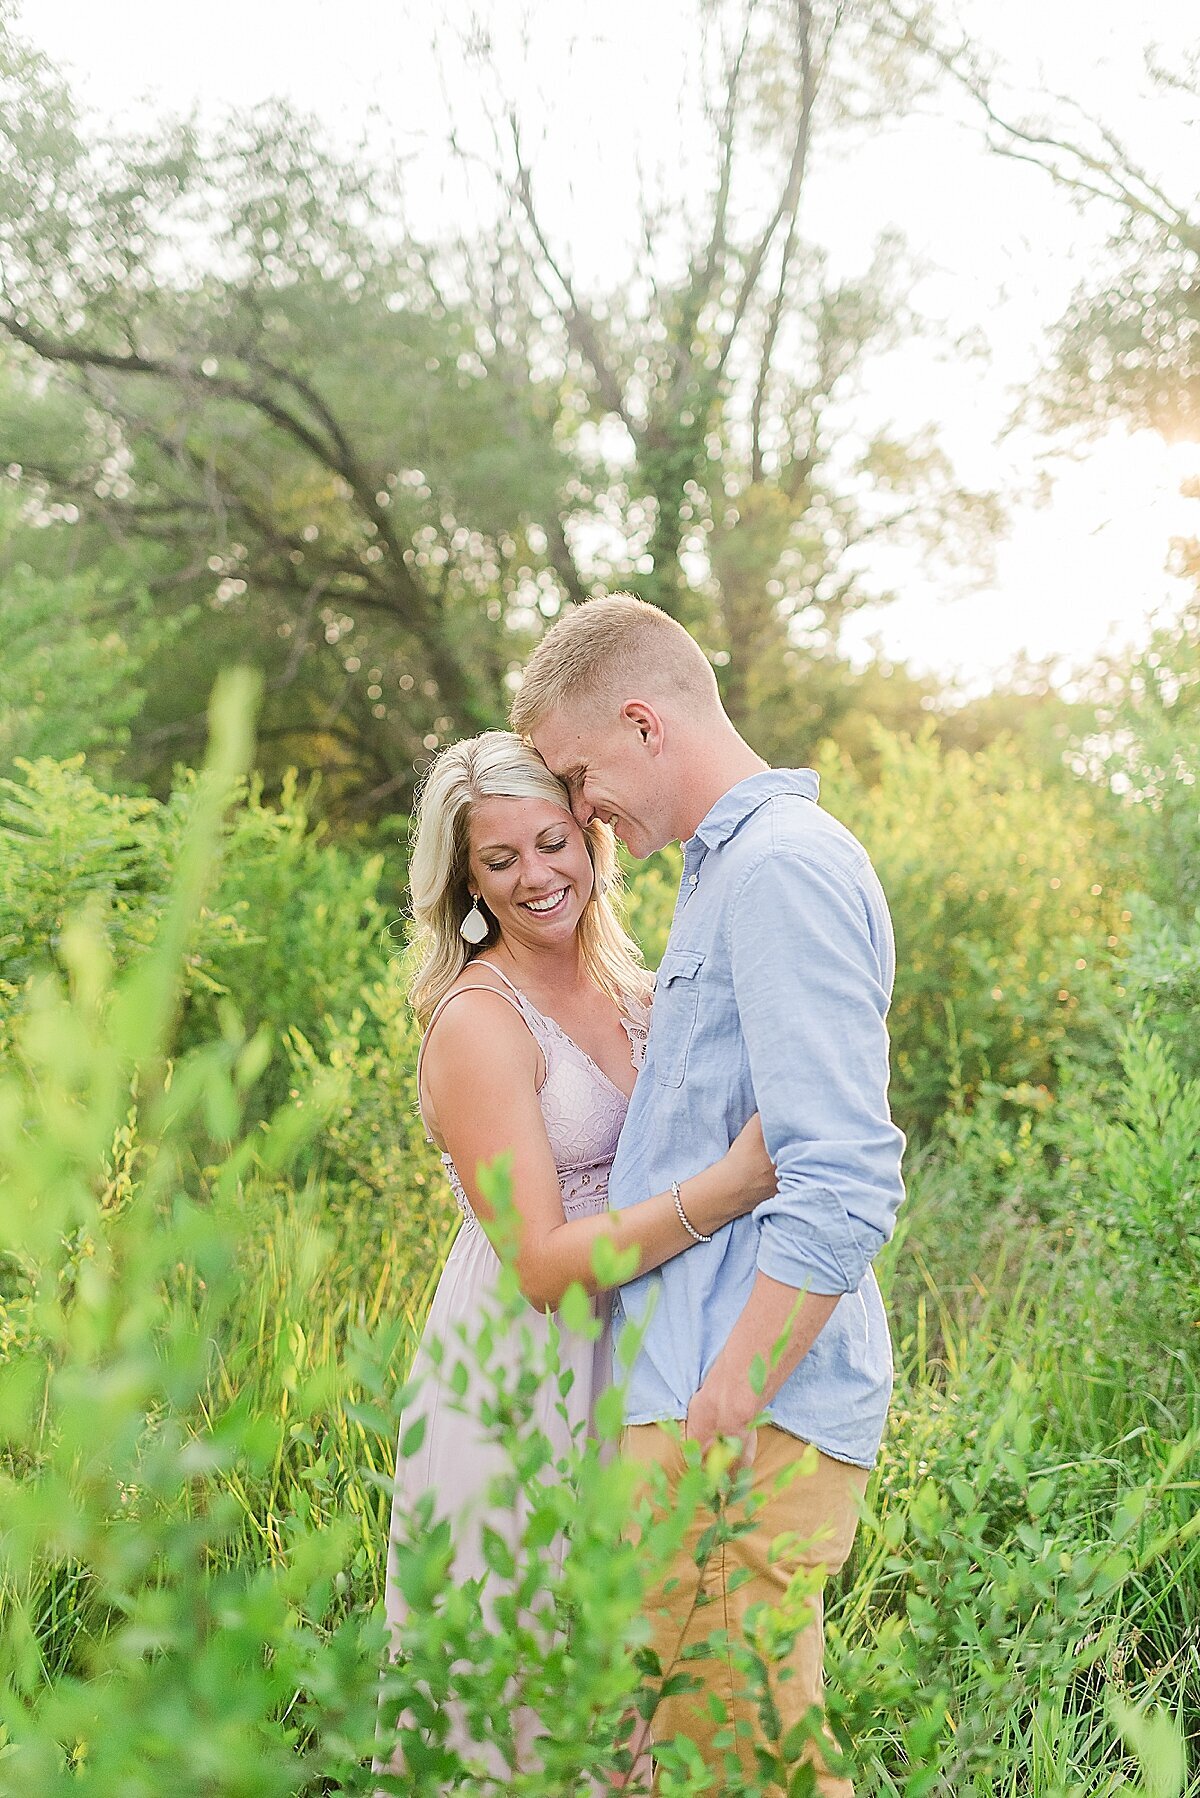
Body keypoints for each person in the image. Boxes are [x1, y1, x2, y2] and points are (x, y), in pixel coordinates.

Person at [511, 596, 907, 1795]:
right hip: (693, 1402)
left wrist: (727, 1402)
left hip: (732, 1419)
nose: (583, 815)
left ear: (641, 721)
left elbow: (842, 1170)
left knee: (747, 1771)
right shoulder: (728, 874)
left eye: (578, 776)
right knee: (695, 1765)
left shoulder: (782, 870)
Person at [375, 729, 776, 1782]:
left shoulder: (639, 987)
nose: (536, 875)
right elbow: (545, 1269)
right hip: (528, 1368)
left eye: (552, 840)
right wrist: (729, 1186)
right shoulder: (478, 1021)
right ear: (465, 883)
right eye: (498, 861)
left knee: (649, 1669)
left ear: (592, 834)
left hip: (649, 1346)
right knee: (532, 1674)